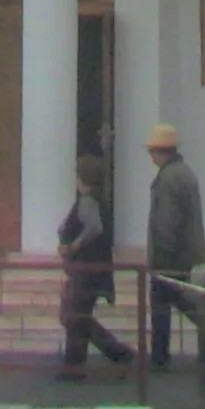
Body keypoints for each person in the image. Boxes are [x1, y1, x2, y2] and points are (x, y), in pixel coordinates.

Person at [56, 153, 131, 377]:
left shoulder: (88, 201)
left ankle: (107, 356)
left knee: (73, 316)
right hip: (92, 268)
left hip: (85, 269)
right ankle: (78, 364)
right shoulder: (95, 199)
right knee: (77, 316)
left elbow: (93, 227)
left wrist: (72, 247)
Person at [144, 122, 205, 371]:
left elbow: (166, 220)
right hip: (183, 253)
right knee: (177, 298)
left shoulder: (168, 178)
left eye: (152, 151)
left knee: (163, 304)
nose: (150, 156)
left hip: (168, 255)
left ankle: (160, 357)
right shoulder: (184, 172)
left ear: (161, 151)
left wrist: (161, 252)